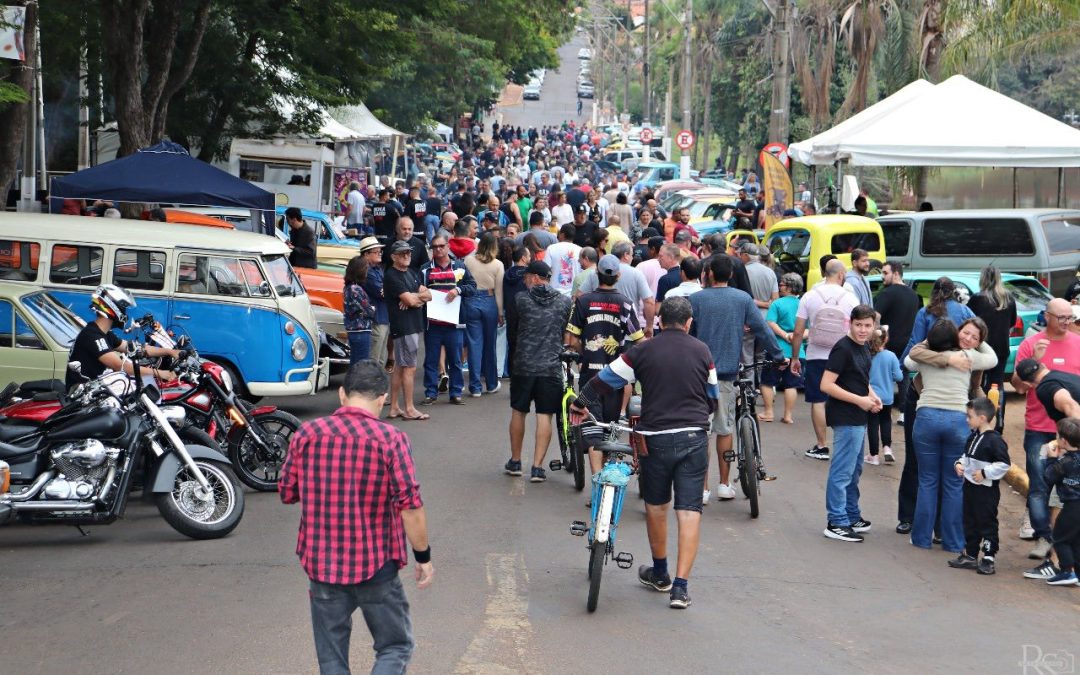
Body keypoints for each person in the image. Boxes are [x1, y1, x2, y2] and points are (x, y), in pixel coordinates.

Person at [279, 361, 433, 673]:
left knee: (332, 660)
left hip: (321, 565)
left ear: (341, 394)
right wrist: (423, 556)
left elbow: (287, 491)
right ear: (381, 399)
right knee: (394, 646)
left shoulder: (307, 434)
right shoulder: (390, 439)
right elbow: (410, 505)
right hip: (375, 564)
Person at [573, 297, 719, 609]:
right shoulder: (702, 351)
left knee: (656, 506)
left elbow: (605, 378)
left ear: (659, 321)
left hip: (656, 439)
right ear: (689, 323)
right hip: (694, 437)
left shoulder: (643, 349)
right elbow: (713, 398)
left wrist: (580, 402)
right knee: (689, 511)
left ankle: (661, 573)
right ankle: (681, 588)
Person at [690, 255, 785, 503]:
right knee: (724, 429)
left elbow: (687, 334)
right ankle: (723, 483)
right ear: (731, 274)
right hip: (727, 376)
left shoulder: (696, 300)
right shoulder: (742, 299)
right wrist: (778, 356)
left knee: (702, 432)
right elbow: (762, 329)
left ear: (708, 273)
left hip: (699, 376)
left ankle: (702, 490)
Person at [905, 319, 997, 553]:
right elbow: (993, 359)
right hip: (958, 420)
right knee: (954, 483)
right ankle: (953, 542)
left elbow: (908, 361)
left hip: (926, 418)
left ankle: (921, 538)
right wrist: (979, 343)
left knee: (927, 480)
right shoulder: (969, 357)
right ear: (956, 336)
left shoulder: (926, 355)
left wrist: (932, 342)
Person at [894, 277, 975, 534]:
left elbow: (912, 351)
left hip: (923, 396)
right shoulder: (965, 312)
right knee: (951, 466)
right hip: (956, 400)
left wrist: (901, 372)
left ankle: (909, 518)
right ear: (955, 293)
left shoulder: (925, 312)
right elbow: (981, 343)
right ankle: (942, 527)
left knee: (916, 461)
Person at [1011, 297, 1080, 560]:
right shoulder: (1031, 344)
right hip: (1039, 427)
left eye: (1070, 318)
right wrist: (1035, 358)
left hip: (1073, 433)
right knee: (1040, 484)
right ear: (1047, 316)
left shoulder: (1078, 342)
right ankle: (1044, 537)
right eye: (1061, 318)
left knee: (1073, 487)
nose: (1066, 323)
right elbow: (1017, 385)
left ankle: (1067, 540)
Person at [566, 254, 644, 475]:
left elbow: (571, 340)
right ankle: (609, 479)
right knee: (610, 430)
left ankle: (598, 484)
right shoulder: (625, 304)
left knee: (592, 433)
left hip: (590, 375)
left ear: (596, 274)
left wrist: (586, 352)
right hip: (615, 378)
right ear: (618, 276)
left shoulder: (583, 301)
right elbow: (638, 340)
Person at [505, 261, 573, 482]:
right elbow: (564, 331)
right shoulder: (564, 302)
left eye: (527, 277)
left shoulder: (520, 300)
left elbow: (512, 331)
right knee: (545, 415)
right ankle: (537, 467)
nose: (525, 281)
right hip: (550, 367)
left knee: (518, 412)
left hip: (524, 364)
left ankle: (515, 461)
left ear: (535, 278)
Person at [820, 304, 881, 542]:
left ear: (874, 326)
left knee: (855, 469)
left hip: (859, 415)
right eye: (859, 325)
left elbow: (859, 377)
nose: (863, 330)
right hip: (845, 415)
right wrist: (861, 400)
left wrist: (871, 394)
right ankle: (836, 521)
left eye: (867, 326)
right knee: (843, 470)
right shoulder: (843, 348)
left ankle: (851, 514)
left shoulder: (863, 346)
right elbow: (826, 385)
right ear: (850, 323)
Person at [790, 259, 860, 461]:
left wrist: (796, 357)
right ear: (840, 275)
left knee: (818, 400)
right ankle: (842, 445)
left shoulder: (810, 296)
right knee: (843, 397)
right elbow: (857, 329)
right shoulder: (850, 298)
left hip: (816, 355)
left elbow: (798, 331)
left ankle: (821, 446)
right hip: (843, 354)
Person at [66, 284, 179, 390]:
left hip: (94, 391)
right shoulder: (92, 336)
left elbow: (137, 348)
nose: (125, 313)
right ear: (113, 307)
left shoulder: (105, 334)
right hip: (81, 397)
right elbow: (122, 367)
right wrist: (161, 373)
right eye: (123, 308)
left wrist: (171, 352)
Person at [947, 397, 1011, 575]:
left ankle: (989, 557)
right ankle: (971, 554)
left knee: (986, 522)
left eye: (969, 416)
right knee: (970, 520)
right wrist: (959, 464)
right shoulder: (973, 437)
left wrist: (984, 473)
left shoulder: (995, 441)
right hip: (970, 487)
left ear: (982, 418)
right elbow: (966, 457)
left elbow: (1004, 464)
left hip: (986, 491)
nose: (967, 419)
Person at [419, 234, 476, 405]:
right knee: (430, 360)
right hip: (432, 324)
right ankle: (431, 393)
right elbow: (417, 289)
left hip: (454, 323)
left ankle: (456, 392)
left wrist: (458, 290)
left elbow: (472, 286)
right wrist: (421, 292)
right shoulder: (425, 269)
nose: (438, 249)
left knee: (455, 360)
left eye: (441, 246)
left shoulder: (459, 267)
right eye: (435, 247)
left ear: (448, 247)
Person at [384, 240, 432, 421]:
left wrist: (414, 297)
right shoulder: (392, 275)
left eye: (409, 253)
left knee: (399, 367)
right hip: (404, 327)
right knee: (409, 368)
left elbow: (428, 294)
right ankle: (409, 408)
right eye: (402, 253)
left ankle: (395, 407)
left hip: (411, 325)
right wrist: (413, 299)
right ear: (393, 257)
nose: (407, 256)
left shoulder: (412, 273)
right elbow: (412, 301)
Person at [967, 266, 1017, 431]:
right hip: (1001, 347)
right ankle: (999, 421)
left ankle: (980, 420)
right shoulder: (1008, 298)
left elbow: (970, 322)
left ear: (983, 279)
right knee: (997, 386)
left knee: (976, 385)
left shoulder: (977, 299)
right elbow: (1011, 323)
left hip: (981, 349)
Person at [872, 260, 921, 418]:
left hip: (888, 342)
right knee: (903, 377)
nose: (882, 276)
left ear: (896, 273)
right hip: (907, 343)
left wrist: (877, 335)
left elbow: (876, 316)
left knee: (881, 374)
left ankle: (878, 405)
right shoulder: (913, 295)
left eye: (885, 273)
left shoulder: (887, 293)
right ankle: (903, 413)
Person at [578, 241, 655, 336]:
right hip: (629, 332)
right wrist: (649, 326)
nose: (632, 257)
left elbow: (578, 296)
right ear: (626, 255)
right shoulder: (636, 274)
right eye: (632, 254)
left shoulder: (596, 272)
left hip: (598, 330)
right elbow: (649, 301)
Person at [463, 232, 505, 397]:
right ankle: (492, 383)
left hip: (471, 300)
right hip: (489, 301)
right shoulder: (498, 264)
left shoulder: (468, 260)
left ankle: (475, 387)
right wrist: (500, 312)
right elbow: (499, 291)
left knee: (474, 344)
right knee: (490, 344)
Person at [762, 272, 805, 424]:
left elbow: (770, 323)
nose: (779, 287)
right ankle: (788, 415)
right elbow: (810, 329)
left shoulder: (777, 304)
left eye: (781, 284)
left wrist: (785, 335)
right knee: (791, 384)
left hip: (777, 349)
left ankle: (768, 412)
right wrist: (796, 336)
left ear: (789, 287)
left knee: (767, 381)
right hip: (798, 351)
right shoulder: (803, 304)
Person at [1043, 417, 1080, 586]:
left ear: (1063, 441)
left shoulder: (1064, 462)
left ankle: (1067, 571)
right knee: (1075, 538)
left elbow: (1049, 476)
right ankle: (1077, 573)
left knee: (1059, 537)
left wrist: (1051, 458)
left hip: (1073, 505)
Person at [866, 326, 902, 465]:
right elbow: (898, 377)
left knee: (873, 424)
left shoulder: (868, 355)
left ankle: (873, 455)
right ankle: (887, 448)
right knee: (886, 421)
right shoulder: (891, 356)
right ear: (886, 339)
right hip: (887, 396)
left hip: (872, 396)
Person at [503, 245, 531, 377]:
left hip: (510, 311)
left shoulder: (507, 273)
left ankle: (512, 370)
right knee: (526, 342)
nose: (530, 258)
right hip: (526, 312)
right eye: (529, 256)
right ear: (523, 258)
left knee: (512, 342)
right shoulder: (529, 275)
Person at [343, 256, 376, 365]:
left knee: (355, 364)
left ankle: (352, 382)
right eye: (365, 268)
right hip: (361, 331)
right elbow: (369, 311)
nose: (367, 271)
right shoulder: (356, 289)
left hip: (354, 331)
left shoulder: (348, 288)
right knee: (361, 365)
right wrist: (372, 308)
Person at [543, 224, 582, 296]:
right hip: (573, 294)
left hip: (553, 294)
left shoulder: (551, 248)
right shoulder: (580, 250)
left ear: (562, 234)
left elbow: (545, 269)